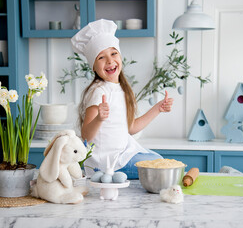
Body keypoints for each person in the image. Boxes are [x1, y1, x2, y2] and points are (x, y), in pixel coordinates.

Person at [71, 19, 174, 179]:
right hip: (106, 162)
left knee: (159, 160)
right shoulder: (98, 91)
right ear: (93, 66)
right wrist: (99, 118)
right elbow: (85, 136)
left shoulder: (122, 89)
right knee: (158, 165)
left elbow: (130, 128)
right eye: (101, 57)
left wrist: (158, 108)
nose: (110, 61)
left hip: (122, 154)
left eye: (113, 53)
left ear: (120, 56)